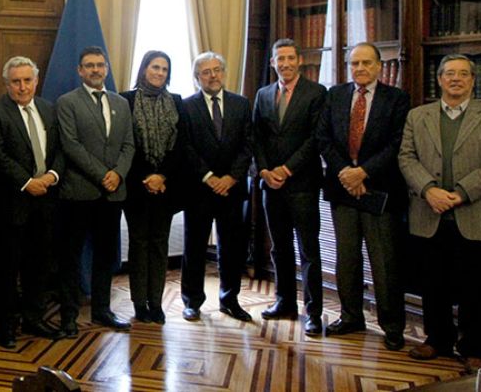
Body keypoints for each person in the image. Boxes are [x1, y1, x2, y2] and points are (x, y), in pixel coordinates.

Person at [398, 54, 481, 372]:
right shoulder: (418, 116)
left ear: (473, 80)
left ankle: (475, 347)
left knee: (478, 287)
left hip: (478, 215)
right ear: (440, 79)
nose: (456, 79)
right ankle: (437, 340)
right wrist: (429, 189)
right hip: (429, 213)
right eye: (449, 73)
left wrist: (460, 193)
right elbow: (406, 157)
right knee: (434, 283)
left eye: (463, 74)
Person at [315, 42, 410, 351]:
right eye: (354, 63)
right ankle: (351, 316)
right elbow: (323, 138)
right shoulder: (336, 95)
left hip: (379, 191)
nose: (360, 68)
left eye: (366, 63)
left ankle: (392, 326)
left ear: (379, 66)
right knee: (347, 260)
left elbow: (397, 144)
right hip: (343, 190)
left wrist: (363, 172)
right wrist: (346, 172)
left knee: (384, 264)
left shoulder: (396, 99)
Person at [0, 56, 63, 347]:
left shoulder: (48, 108)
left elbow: (59, 149)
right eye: (16, 81)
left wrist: (51, 175)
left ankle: (34, 318)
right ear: (7, 84)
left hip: (46, 201)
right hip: (12, 204)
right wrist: (28, 183)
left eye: (27, 80)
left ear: (36, 81)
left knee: (38, 266)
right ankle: (6, 327)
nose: (22, 86)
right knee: (7, 268)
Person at [56, 46, 135, 335]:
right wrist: (103, 174)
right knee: (71, 257)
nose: (95, 70)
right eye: (89, 65)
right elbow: (71, 145)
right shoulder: (67, 102)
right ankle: (68, 317)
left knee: (105, 256)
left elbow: (129, 144)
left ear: (107, 69)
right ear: (80, 70)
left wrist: (118, 174)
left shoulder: (121, 103)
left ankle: (103, 310)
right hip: (78, 193)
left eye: (100, 65)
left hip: (112, 194)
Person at [252, 38, 327, 337]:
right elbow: (256, 137)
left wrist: (286, 168)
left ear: (299, 61)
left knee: (309, 250)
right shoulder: (263, 94)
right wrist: (266, 170)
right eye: (279, 59)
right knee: (279, 248)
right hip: (271, 186)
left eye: (289, 58)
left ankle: (313, 312)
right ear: (272, 63)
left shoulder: (316, 93)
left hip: (303, 184)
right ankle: (284, 302)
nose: (284, 63)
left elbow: (316, 138)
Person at [180, 52, 253, 323]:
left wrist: (231, 177)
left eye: (217, 70)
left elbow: (248, 145)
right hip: (199, 189)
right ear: (197, 77)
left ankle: (229, 299)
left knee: (232, 247)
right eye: (206, 72)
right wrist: (209, 176)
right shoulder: (186, 107)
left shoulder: (241, 104)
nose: (213, 76)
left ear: (223, 72)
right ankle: (192, 301)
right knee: (194, 246)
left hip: (232, 189)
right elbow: (185, 147)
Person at [120, 50, 184, 324]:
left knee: (159, 245)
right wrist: (147, 177)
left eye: (164, 69)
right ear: (144, 69)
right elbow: (125, 144)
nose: (160, 73)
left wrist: (162, 176)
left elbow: (181, 145)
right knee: (138, 244)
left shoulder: (178, 102)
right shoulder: (126, 100)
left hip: (165, 189)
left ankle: (156, 303)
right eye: (155, 67)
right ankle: (139, 303)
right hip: (136, 187)